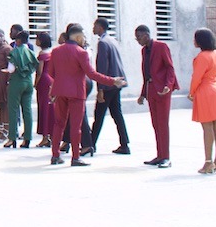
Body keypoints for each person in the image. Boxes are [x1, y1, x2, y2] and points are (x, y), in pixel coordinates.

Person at [48, 23, 126, 166]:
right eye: (83, 36)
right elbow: (91, 74)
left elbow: (51, 73)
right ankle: (75, 157)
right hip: (76, 92)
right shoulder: (81, 52)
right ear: (78, 37)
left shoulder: (56, 51)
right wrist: (112, 81)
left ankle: (55, 156)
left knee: (59, 124)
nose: (84, 39)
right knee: (76, 126)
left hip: (60, 91)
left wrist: (56, 86)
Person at [134, 24, 177, 168]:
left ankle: (166, 157)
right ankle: (160, 155)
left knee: (163, 123)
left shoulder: (161, 46)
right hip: (151, 89)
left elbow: (170, 67)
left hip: (162, 90)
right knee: (155, 124)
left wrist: (168, 86)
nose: (138, 40)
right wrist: (142, 93)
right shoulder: (144, 51)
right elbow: (146, 73)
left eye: (139, 37)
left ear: (146, 35)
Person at [189, 28, 216, 174]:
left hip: (205, 92)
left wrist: (191, 92)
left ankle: (208, 162)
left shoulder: (202, 57)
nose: (193, 41)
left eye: (195, 38)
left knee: (207, 128)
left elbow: (196, 78)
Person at [89, 18, 130, 155]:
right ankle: (124, 143)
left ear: (100, 27)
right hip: (117, 82)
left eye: (95, 26)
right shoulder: (112, 40)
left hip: (108, 84)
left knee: (99, 114)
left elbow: (102, 67)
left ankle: (90, 144)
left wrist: (100, 88)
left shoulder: (102, 43)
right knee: (116, 113)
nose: (93, 28)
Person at [4, 29, 36, 148]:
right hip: (28, 81)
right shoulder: (30, 51)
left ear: (18, 41)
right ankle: (27, 138)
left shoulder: (15, 52)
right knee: (27, 111)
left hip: (16, 81)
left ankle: (12, 138)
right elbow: (35, 65)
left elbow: (11, 69)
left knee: (13, 110)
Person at [34, 31, 55, 147]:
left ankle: (45, 136)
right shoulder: (52, 53)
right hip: (51, 80)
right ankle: (51, 135)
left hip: (44, 81)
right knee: (50, 108)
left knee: (43, 108)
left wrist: (35, 83)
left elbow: (40, 71)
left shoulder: (42, 54)